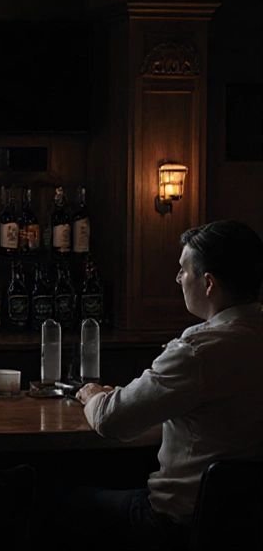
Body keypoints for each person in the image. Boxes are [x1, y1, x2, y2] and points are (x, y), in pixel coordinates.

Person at [59, 221, 263, 551]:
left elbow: (112, 420)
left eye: (184, 270)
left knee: (62, 500)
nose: (178, 279)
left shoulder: (197, 351)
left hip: (180, 526)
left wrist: (92, 395)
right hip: (249, 529)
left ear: (208, 283)